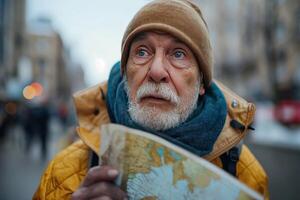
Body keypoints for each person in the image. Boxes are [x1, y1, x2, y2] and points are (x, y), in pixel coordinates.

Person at [33, 0, 269, 199]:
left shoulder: (244, 174)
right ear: (126, 74)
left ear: (202, 85)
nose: (156, 71)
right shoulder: (65, 172)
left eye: (178, 54)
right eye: (142, 52)